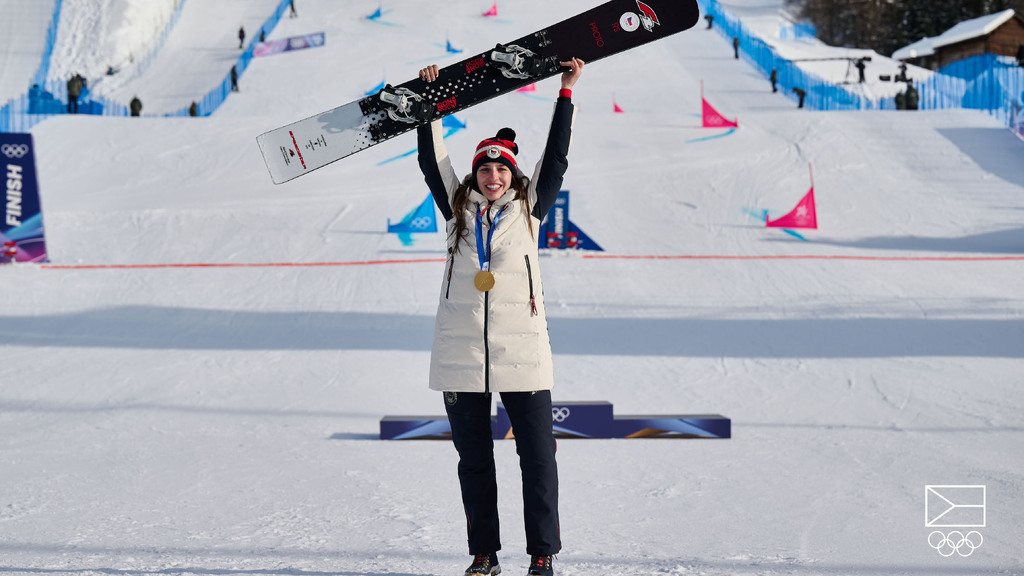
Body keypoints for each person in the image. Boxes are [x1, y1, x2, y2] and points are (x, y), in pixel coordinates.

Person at [416, 56, 585, 576]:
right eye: (485, 169)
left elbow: (555, 160)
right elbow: (431, 161)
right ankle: (483, 554)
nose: (493, 176)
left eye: (501, 168)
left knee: (538, 460)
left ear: (513, 174)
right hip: (462, 352)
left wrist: (565, 93)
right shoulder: (455, 210)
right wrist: (429, 106)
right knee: (474, 463)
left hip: (523, 351)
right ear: (476, 174)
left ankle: (542, 555)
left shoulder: (530, 209)